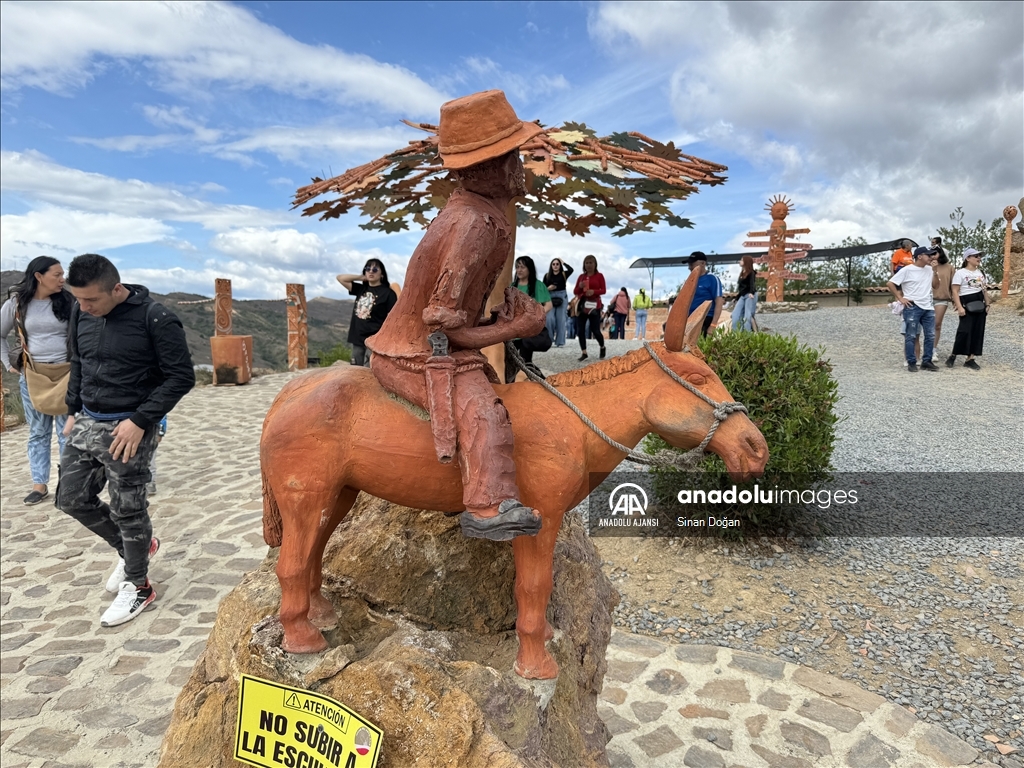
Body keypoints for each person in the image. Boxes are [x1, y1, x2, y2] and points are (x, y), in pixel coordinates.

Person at [365, 89, 546, 541]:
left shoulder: (483, 215)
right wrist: (516, 327)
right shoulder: (473, 225)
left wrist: (495, 320)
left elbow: (456, 319)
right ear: (485, 168)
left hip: (425, 342)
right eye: (511, 157)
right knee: (482, 411)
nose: (519, 167)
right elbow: (442, 331)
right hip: (412, 352)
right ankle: (487, 506)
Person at [58, 254, 195, 626]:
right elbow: (79, 361)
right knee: (71, 498)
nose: (84, 307)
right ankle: (135, 548)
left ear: (116, 289)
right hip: (87, 418)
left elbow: (181, 377)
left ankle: (138, 585)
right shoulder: (81, 311)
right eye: (78, 299)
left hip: (131, 425)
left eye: (91, 300)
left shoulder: (156, 318)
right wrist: (72, 409)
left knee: (128, 509)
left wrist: (140, 421)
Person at [1, 256, 72, 505]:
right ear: (39, 276)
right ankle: (39, 485)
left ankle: (67, 485)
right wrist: (8, 364)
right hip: (33, 375)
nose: (63, 279)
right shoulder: (17, 303)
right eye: (57, 274)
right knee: (38, 432)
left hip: (66, 374)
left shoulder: (70, 302)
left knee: (66, 432)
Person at [336, 259, 398, 367]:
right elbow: (340, 278)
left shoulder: (388, 293)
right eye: (368, 269)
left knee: (369, 370)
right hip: (358, 338)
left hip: (375, 339)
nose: (371, 271)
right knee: (355, 370)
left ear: (382, 274)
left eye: (375, 269)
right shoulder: (361, 289)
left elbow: (393, 317)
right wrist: (361, 277)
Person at [888, 246, 938, 371]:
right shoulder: (907, 270)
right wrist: (900, 298)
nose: (931, 257)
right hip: (912, 306)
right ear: (919, 256)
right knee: (911, 335)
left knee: (930, 335)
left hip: (928, 306)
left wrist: (935, 271)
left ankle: (927, 361)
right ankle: (911, 362)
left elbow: (936, 285)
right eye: (928, 255)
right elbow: (890, 283)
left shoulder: (930, 269)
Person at [507, 256, 553, 382]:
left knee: (524, 360)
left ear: (529, 269)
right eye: (517, 267)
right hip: (512, 331)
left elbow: (548, 305)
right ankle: (510, 386)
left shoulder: (538, 285)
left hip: (527, 331)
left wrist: (534, 317)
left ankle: (543, 381)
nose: (519, 270)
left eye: (522, 267)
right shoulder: (512, 287)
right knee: (510, 361)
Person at [946, 247, 990, 370]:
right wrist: (960, 306)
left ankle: (970, 358)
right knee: (964, 331)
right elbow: (955, 291)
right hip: (966, 302)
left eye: (979, 256)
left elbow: (984, 289)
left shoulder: (981, 273)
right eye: (976, 256)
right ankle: (954, 354)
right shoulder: (960, 273)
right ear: (968, 258)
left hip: (979, 303)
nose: (979, 258)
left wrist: (988, 304)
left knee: (978, 331)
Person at [573, 255, 607, 361]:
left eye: (591, 263)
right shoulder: (581, 277)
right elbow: (575, 291)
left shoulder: (599, 276)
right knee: (580, 330)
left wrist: (594, 291)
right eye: (586, 263)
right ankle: (584, 352)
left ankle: (602, 346)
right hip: (583, 304)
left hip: (594, 305)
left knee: (595, 330)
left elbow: (603, 290)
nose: (588, 265)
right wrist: (580, 287)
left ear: (595, 264)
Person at [686, 252, 723, 336]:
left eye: (692, 264)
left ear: (703, 263)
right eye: (689, 264)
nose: (689, 267)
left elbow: (719, 302)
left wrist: (713, 325)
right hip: (690, 319)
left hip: (705, 319)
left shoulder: (712, 279)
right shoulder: (691, 280)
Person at [542, 258, 573, 347]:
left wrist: (563, 262)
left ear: (560, 265)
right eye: (553, 264)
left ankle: (560, 342)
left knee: (561, 319)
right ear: (551, 266)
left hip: (562, 296)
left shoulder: (564, 274)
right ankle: (549, 339)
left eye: (557, 264)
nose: (555, 266)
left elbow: (571, 270)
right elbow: (543, 289)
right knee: (549, 318)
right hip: (550, 296)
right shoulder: (547, 275)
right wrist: (548, 288)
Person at [930, 246, 955, 356]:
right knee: (925, 325)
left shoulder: (950, 268)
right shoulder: (926, 266)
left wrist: (954, 299)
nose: (932, 255)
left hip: (941, 299)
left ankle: (933, 349)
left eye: (935, 253)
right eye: (930, 253)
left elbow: (953, 285)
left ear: (941, 254)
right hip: (925, 299)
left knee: (937, 324)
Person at [732, 255, 758, 332]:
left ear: (746, 262)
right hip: (742, 295)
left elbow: (752, 284)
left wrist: (751, 293)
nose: (740, 261)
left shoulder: (751, 273)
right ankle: (736, 333)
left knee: (748, 315)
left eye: (742, 260)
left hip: (749, 295)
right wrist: (736, 298)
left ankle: (748, 333)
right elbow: (741, 288)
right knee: (735, 314)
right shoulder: (742, 273)